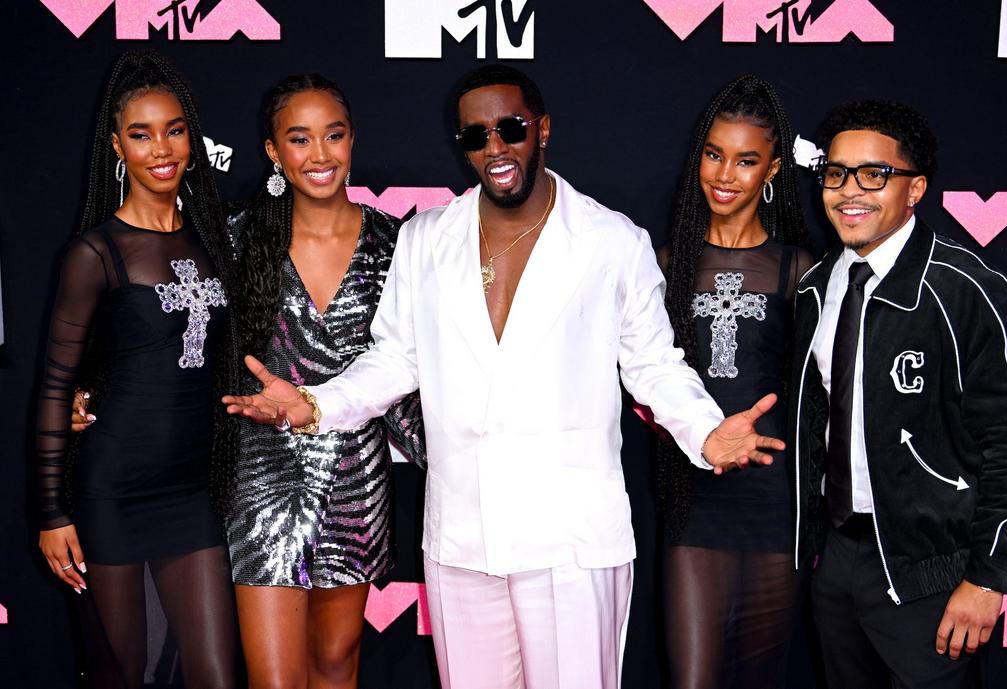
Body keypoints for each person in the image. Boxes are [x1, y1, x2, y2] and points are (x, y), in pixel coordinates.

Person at [223, 64, 784, 689]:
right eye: (475, 135)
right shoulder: (427, 238)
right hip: (462, 539)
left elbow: (653, 362)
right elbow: (395, 359)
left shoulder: (610, 240)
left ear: (542, 130)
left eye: (511, 128)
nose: (496, 147)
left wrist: (706, 434)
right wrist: (314, 404)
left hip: (569, 544)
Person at [793, 100, 1007, 688]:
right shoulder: (817, 288)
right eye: (837, 172)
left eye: (875, 174)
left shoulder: (965, 290)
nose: (850, 190)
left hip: (935, 572)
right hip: (839, 562)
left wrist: (990, 578)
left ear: (914, 188)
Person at [35, 51, 236, 688]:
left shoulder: (214, 243)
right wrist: (50, 512)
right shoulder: (95, 253)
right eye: (142, 134)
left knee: (215, 675)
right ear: (117, 145)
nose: (162, 148)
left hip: (189, 494)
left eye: (175, 129)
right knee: (123, 676)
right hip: (111, 494)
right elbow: (54, 386)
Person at [224, 74, 425, 689]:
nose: (319, 156)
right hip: (262, 476)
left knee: (338, 663)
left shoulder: (397, 243)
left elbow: (421, 364)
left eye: (333, 136)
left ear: (352, 140)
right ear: (273, 152)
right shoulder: (239, 239)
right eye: (300, 139)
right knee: (277, 678)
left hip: (354, 476)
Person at [657, 75, 813, 689]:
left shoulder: (798, 269)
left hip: (775, 497)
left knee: (759, 679)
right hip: (694, 496)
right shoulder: (668, 265)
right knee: (693, 680)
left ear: (772, 169)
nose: (725, 174)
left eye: (746, 160)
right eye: (715, 154)